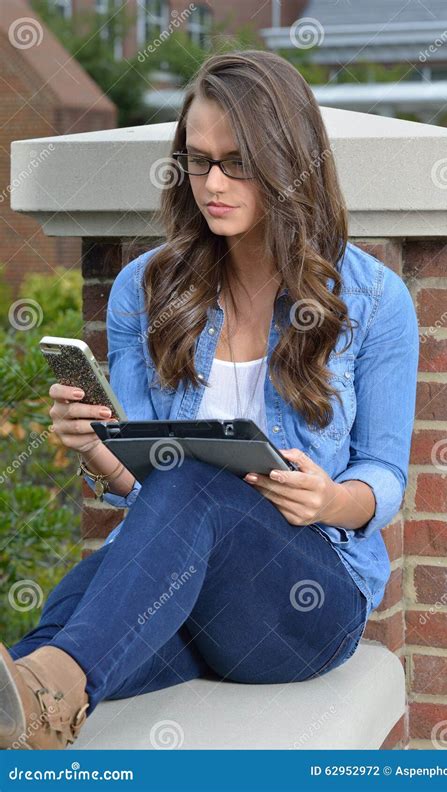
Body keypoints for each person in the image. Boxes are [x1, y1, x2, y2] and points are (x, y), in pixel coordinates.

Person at [0, 49, 419, 751]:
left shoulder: (375, 300)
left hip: (303, 601)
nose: (212, 183)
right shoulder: (146, 289)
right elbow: (146, 491)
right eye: (197, 161)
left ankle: (46, 687)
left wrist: (329, 501)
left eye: (236, 162)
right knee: (78, 624)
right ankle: (38, 691)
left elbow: (385, 474)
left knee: (191, 479)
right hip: (195, 598)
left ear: (288, 163)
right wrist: (100, 450)